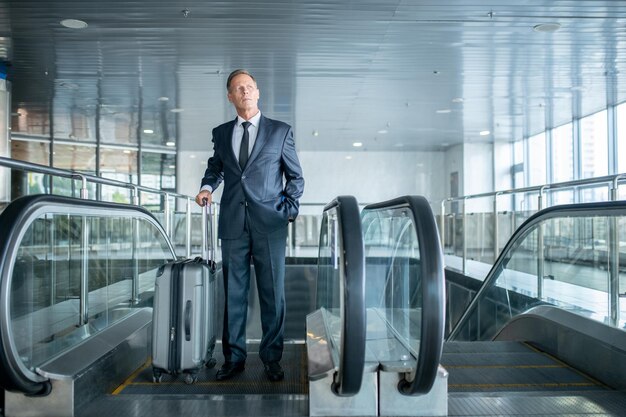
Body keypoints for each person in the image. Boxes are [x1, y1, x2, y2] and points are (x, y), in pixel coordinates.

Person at [195, 69, 304, 382]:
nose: (244, 91)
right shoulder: (221, 133)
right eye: (237, 88)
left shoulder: (280, 131)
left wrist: (288, 210)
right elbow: (215, 168)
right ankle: (234, 359)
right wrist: (206, 187)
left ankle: (271, 359)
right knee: (234, 294)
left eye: (249, 87)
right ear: (230, 97)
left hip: (270, 224)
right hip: (232, 224)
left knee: (273, 295)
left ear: (258, 93)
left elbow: (296, 177)